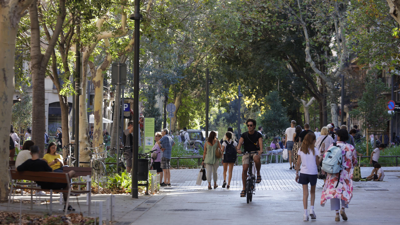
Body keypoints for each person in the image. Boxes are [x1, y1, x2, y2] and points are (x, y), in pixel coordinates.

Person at [17, 145, 76, 211]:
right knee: (71, 175)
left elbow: (18, 169)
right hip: (50, 184)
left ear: (30, 153)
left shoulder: (27, 163)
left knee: (66, 181)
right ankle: (67, 205)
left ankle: (67, 205)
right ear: (39, 152)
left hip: (42, 185)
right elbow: (51, 172)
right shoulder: (43, 163)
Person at [320, 129, 358, 222]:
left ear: (339, 136)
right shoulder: (350, 147)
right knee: (344, 192)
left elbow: (326, 158)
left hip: (333, 174)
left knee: (334, 193)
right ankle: (343, 209)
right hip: (346, 175)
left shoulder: (332, 146)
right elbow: (355, 161)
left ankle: (337, 213)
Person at [295, 133, 320, 221]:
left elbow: (298, 163)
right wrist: (320, 159)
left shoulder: (301, 149)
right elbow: (317, 163)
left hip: (303, 173)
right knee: (312, 192)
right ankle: (311, 209)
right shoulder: (315, 150)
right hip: (313, 173)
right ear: (313, 141)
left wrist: (297, 173)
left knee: (305, 194)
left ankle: (305, 214)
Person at [236, 119, 263, 197]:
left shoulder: (258, 134)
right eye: (248, 125)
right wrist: (238, 149)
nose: (249, 127)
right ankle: (244, 188)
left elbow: (260, 142)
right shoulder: (244, 135)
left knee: (257, 159)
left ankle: (258, 173)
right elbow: (240, 142)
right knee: (244, 169)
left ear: (254, 126)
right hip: (246, 152)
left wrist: (261, 150)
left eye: (251, 125)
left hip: (255, 152)